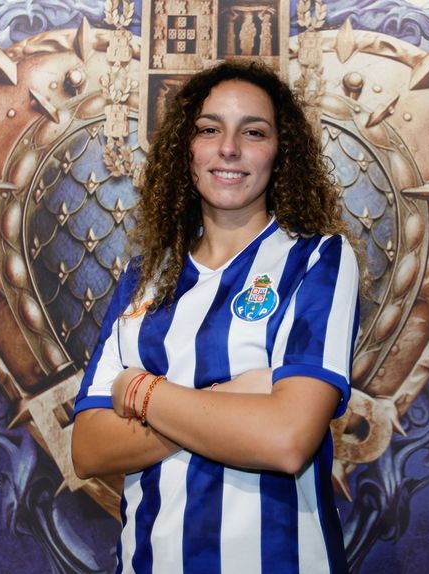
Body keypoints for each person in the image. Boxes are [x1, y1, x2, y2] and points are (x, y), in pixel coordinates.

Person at [71, 59, 358, 574]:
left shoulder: (317, 258)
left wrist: (141, 392)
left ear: (281, 152)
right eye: (209, 129)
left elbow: (286, 440)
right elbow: (89, 448)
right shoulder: (146, 275)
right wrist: (235, 398)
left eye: (254, 132)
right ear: (187, 149)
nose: (229, 148)